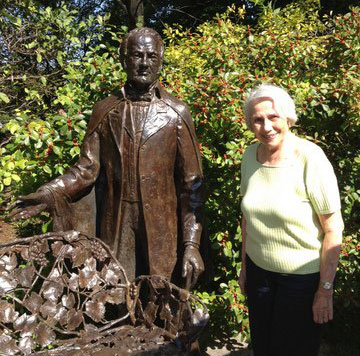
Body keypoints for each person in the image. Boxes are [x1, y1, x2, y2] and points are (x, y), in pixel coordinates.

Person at [10, 27, 204, 288]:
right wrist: (49, 192)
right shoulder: (105, 110)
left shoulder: (177, 113)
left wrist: (191, 243)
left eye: (151, 56)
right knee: (116, 293)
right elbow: (86, 169)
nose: (144, 64)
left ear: (160, 60)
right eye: (137, 56)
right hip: (116, 221)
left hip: (161, 230)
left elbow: (192, 185)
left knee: (159, 298)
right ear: (124, 60)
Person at [238, 84, 344, 356]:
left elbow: (333, 230)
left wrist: (325, 290)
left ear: (288, 117)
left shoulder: (310, 159)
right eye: (258, 120)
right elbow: (247, 218)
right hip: (259, 273)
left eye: (273, 117)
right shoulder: (249, 157)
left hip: (300, 281)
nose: (266, 126)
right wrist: (245, 266)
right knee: (263, 347)